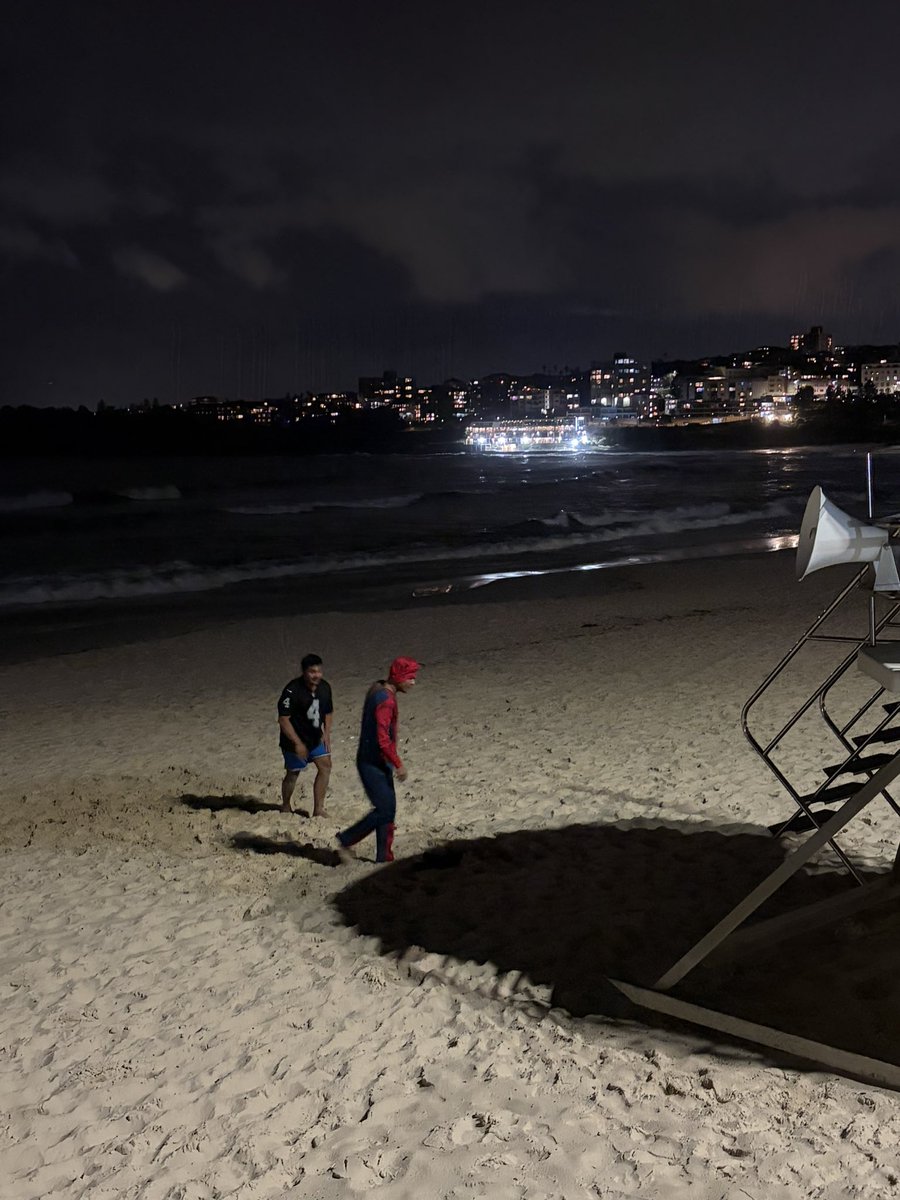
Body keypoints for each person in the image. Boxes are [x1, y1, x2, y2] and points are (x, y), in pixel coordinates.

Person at [336, 656, 420, 864]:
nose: (413, 682)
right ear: (398, 677)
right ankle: (346, 839)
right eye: (410, 678)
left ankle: (384, 856)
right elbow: (383, 739)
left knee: (388, 808)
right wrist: (398, 763)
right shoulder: (385, 700)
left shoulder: (379, 688)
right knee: (384, 810)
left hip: (377, 760)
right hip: (372, 762)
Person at [277, 653, 333, 817]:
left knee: (326, 767)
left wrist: (327, 732)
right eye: (312, 672)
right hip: (294, 741)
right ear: (304, 672)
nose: (317, 675)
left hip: (315, 738)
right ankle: (286, 806)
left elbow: (328, 711)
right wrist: (297, 743)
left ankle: (318, 809)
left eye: (319, 671)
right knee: (293, 773)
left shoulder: (325, 688)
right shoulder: (291, 690)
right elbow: (283, 720)